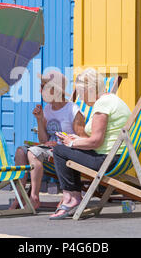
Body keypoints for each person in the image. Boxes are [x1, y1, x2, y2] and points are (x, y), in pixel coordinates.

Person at [49, 68, 132, 220]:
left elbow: (95, 141)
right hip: (118, 158)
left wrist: (72, 143)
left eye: (82, 92)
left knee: (60, 150)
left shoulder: (103, 104)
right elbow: (100, 139)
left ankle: (71, 197)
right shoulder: (113, 100)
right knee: (68, 149)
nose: (81, 97)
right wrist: (75, 140)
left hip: (106, 160)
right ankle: (73, 196)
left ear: (91, 89)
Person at [9, 70, 86, 210]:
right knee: (21, 151)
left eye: (43, 87)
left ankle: (34, 197)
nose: (40, 90)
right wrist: (40, 120)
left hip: (64, 152)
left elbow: (83, 139)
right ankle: (19, 196)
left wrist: (61, 144)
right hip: (47, 149)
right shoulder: (48, 109)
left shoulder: (72, 110)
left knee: (33, 153)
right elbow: (44, 140)